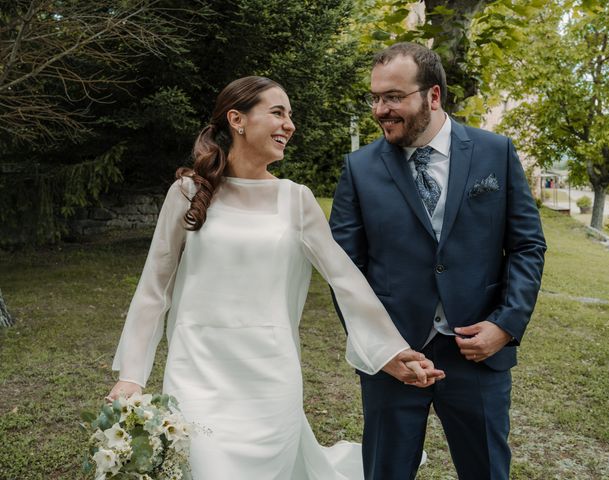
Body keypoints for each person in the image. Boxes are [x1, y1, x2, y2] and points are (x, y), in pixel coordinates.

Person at [107, 75, 445, 479]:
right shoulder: (187, 193)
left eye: (291, 115)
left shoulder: (295, 200)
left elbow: (346, 281)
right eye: (278, 113)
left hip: (270, 377)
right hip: (197, 372)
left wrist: (388, 352)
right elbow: (153, 289)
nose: (290, 124)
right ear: (238, 119)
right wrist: (132, 375)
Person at [329, 43, 546, 480]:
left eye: (393, 97)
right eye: (374, 98)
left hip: (478, 355)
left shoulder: (496, 153)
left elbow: (527, 246)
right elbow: (343, 272)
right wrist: (381, 349)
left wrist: (505, 325)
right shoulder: (359, 168)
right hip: (395, 359)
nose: (380, 110)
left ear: (432, 96)